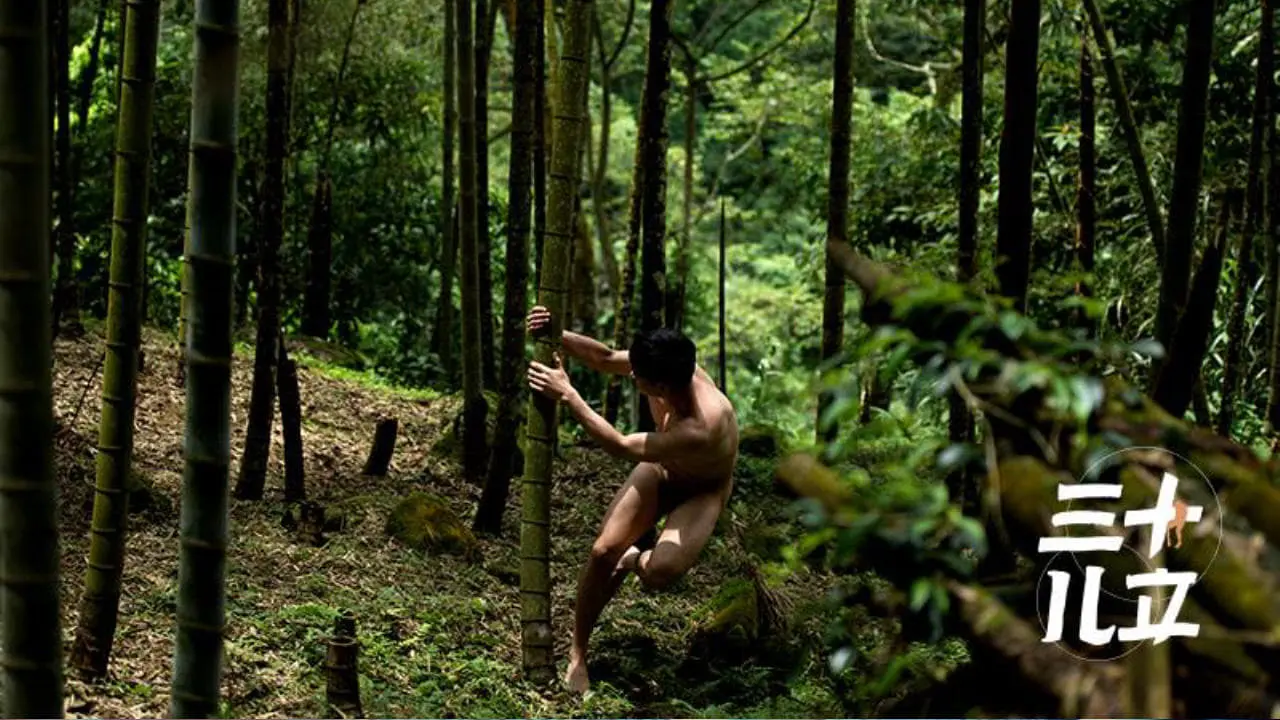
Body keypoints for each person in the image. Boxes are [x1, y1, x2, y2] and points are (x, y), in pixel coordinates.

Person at [524, 305, 740, 694]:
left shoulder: (703, 424)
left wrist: (569, 395)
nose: (631, 376)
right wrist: (558, 333)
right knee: (602, 551)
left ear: (661, 387)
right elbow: (605, 358)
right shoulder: (669, 367)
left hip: (703, 489)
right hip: (662, 470)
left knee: (661, 571)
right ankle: (578, 654)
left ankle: (634, 557)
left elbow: (622, 445)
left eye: (638, 376)